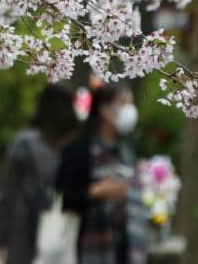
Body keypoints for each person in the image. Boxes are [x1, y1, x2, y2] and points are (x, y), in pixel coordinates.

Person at [55, 83, 148, 264]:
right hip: (90, 246)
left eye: (130, 103)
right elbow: (66, 198)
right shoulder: (80, 150)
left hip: (127, 247)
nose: (129, 109)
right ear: (104, 109)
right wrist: (97, 191)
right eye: (123, 102)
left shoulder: (126, 150)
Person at [0, 84, 80, 264]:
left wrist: (1, 236)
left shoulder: (25, 142)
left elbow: (9, 191)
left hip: (24, 228)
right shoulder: (77, 144)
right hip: (65, 227)